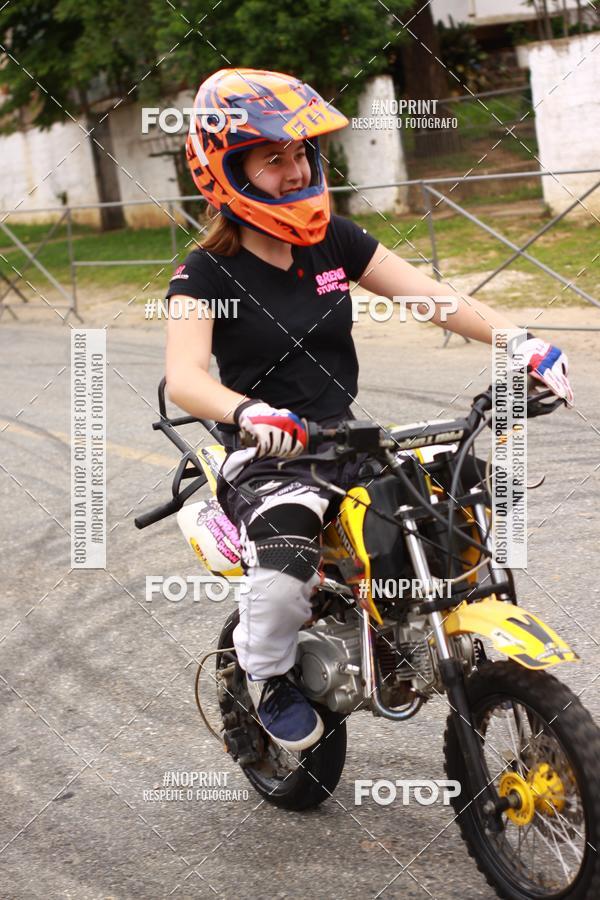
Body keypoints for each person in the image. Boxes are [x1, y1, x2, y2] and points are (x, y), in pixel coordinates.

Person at [165, 68, 573, 752]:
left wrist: (521, 342)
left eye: (301, 153)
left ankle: (421, 638)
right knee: (289, 552)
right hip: (271, 455)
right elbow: (184, 379)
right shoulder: (204, 273)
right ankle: (269, 676)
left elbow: (433, 298)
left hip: (347, 441)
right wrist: (251, 414)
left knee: (456, 500)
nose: (294, 170)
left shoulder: (336, 242)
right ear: (224, 171)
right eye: (273, 158)